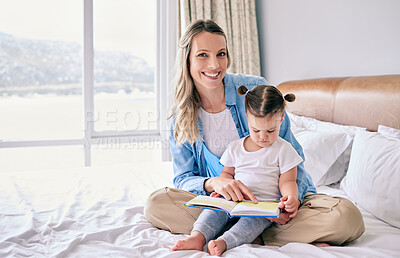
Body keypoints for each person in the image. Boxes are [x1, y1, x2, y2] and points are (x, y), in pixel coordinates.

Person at [144, 19, 364, 247]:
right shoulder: (181, 116)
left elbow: (292, 159)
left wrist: (288, 202)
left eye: (221, 54)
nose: (214, 65)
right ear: (187, 59)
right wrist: (214, 183)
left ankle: (244, 230)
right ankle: (251, 233)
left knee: (347, 217)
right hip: (220, 204)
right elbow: (183, 178)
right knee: (156, 203)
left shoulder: (253, 90)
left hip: (271, 200)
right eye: (203, 55)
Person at [172, 85, 303, 256]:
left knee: (251, 224)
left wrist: (291, 198)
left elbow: (288, 181)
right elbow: (227, 174)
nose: (263, 137)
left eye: (271, 131)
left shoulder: (284, 150)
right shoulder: (235, 147)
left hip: (262, 207)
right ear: (247, 117)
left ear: (281, 119)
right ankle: (198, 237)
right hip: (233, 200)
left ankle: (225, 241)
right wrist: (222, 188)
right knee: (213, 211)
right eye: (256, 130)